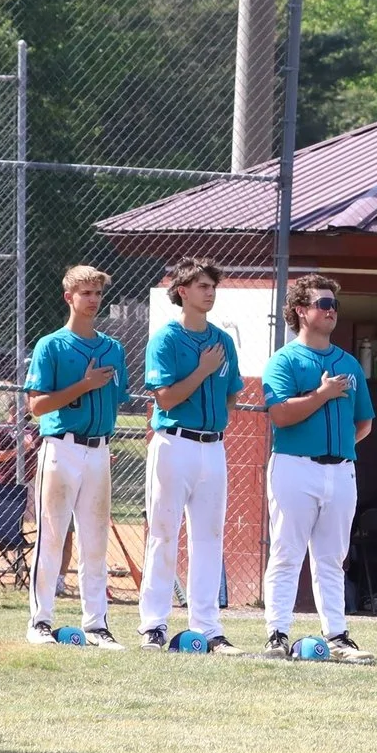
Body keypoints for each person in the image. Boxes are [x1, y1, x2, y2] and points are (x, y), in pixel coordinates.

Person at [260, 273, 374, 660]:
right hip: (295, 466)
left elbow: (364, 423)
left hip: (340, 469)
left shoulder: (348, 363)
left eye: (333, 305)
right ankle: (277, 632)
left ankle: (338, 635)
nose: (331, 311)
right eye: (322, 304)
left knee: (332, 557)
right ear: (299, 311)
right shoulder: (285, 359)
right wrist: (322, 394)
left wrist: (338, 450)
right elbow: (280, 414)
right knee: (287, 552)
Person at [138, 256, 243, 653]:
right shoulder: (166, 338)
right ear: (182, 292)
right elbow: (164, 396)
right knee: (164, 534)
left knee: (209, 538)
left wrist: (214, 415)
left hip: (212, 446)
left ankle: (209, 628)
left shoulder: (223, 340)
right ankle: (154, 625)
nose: (210, 292)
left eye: (213, 286)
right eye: (202, 286)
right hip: (174, 443)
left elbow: (232, 393)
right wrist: (200, 371)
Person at [22, 263, 127, 649]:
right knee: (51, 534)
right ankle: (40, 621)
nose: (93, 300)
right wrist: (82, 384)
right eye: (86, 293)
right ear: (69, 297)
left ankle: (96, 623)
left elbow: (119, 398)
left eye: (98, 293)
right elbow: (37, 404)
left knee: (95, 539)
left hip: (98, 449)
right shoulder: (51, 345)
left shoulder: (112, 347)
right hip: (61, 447)